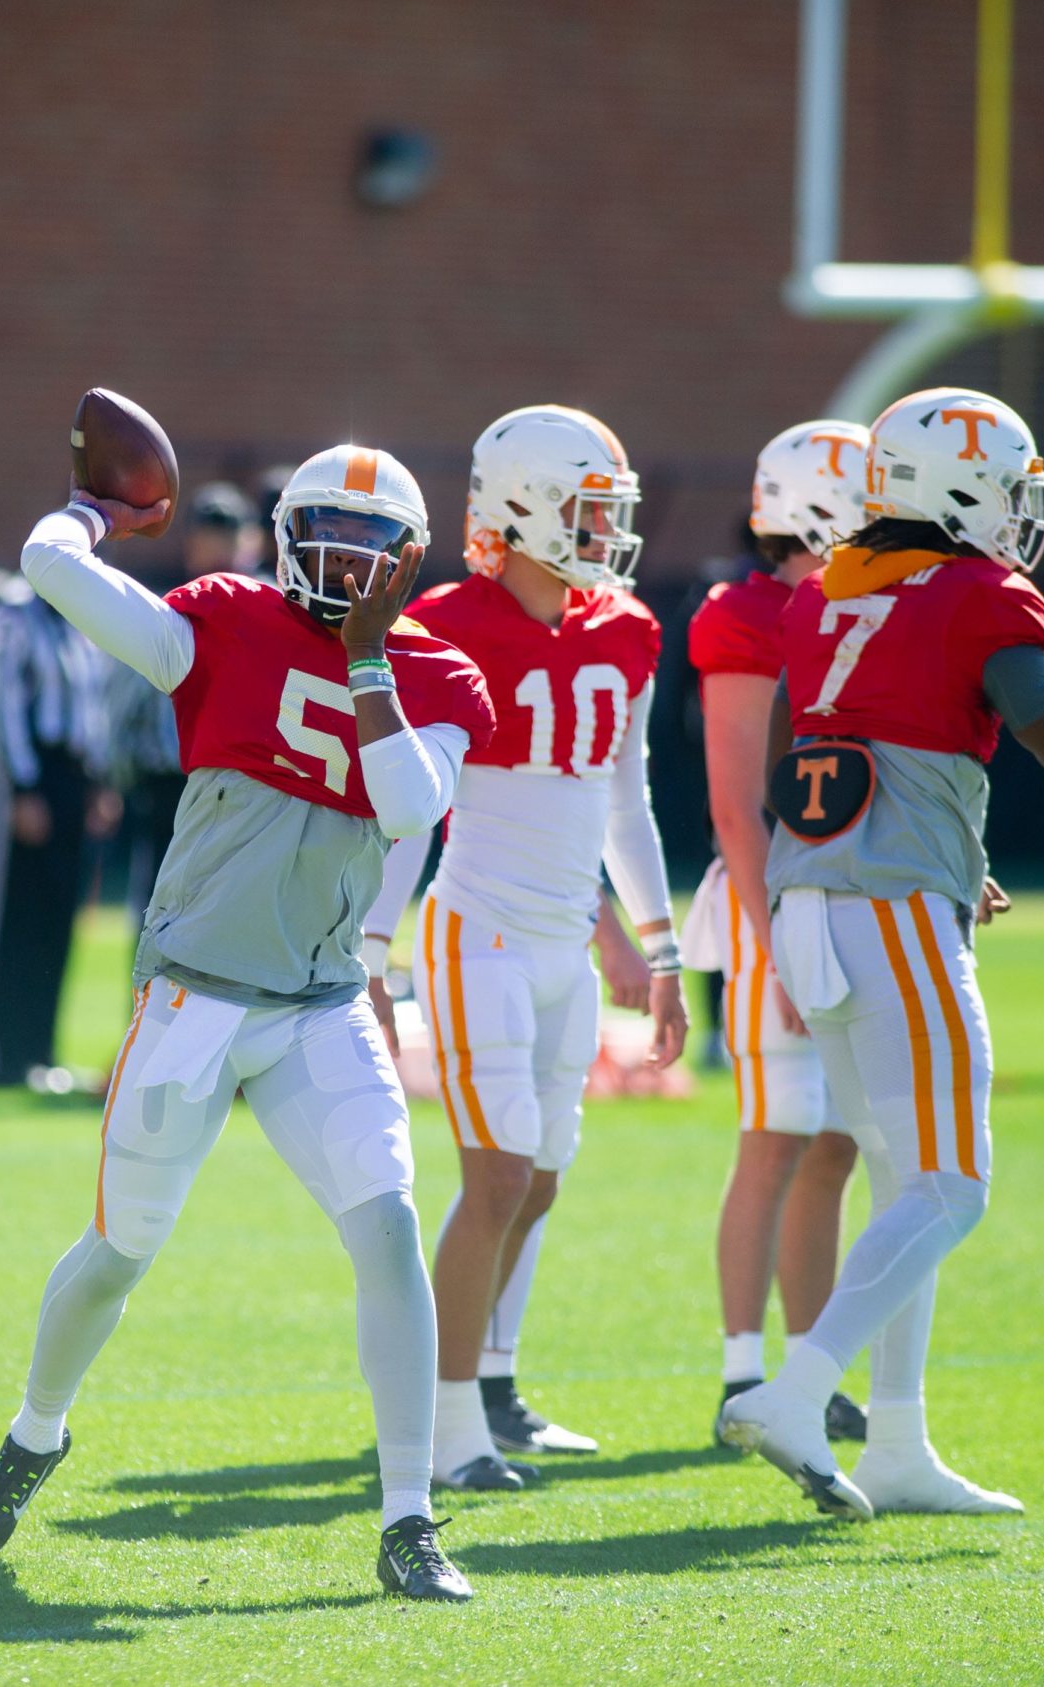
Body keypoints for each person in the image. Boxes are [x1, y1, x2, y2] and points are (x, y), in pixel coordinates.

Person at [0, 445, 496, 1602]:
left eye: (369, 542)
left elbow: (410, 807)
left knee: (387, 1227)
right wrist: (91, 510)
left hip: (317, 1003)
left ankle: (408, 1516)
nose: (345, 563)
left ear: (406, 559)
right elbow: (50, 568)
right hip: (192, 992)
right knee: (118, 1252)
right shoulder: (225, 618)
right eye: (325, 534)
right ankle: (34, 1433)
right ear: (289, 537)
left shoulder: (440, 673)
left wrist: (364, 665)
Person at [718, 388, 1044, 1522]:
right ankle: (798, 1385)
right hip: (891, 909)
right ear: (964, 489)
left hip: (811, 898)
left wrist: (943, 848)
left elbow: (788, 759)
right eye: (1010, 488)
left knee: (905, 1177)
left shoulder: (826, 592)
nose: (1020, 514)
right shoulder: (978, 593)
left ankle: (898, 1443)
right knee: (952, 1184)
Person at [363, 405, 686, 1488]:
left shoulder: (627, 625)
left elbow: (624, 800)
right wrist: (374, 948)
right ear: (525, 510)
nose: (605, 532)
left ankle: (491, 1383)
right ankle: (446, 1428)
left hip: (559, 945)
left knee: (539, 1180)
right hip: (479, 933)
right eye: (589, 510)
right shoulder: (442, 623)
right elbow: (412, 805)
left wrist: (659, 948)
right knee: (494, 1176)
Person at [687, 419, 873, 1446]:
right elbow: (733, 804)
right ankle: (737, 1368)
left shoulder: (865, 607)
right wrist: (771, 944)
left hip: (854, 898)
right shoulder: (748, 615)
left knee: (838, 1143)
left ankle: (809, 1368)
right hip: (782, 902)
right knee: (773, 1138)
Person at [0, 548, 113, 1088]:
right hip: (32, 773)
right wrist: (21, 785)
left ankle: (39, 1049)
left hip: (75, 779)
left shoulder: (81, 621)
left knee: (59, 917)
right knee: (14, 915)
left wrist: (99, 781)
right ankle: (0, 1052)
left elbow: (93, 705)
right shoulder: (12, 614)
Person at [104, 483, 260, 932]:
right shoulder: (172, 608)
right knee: (158, 904)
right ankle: (146, 1001)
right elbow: (124, 703)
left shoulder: (268, 609)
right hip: (167, 782)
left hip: (241, 783)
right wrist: (117, 778)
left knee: (229, 910)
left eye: (226, 539)